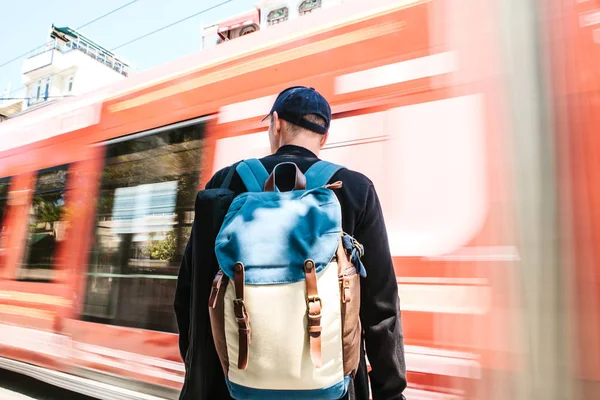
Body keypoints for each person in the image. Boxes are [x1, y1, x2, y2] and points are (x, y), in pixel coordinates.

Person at [175, 86, 406, 400]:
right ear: (323, 137)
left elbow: (190, 291)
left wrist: (199, 370)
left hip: (234, 388)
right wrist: (389, 392)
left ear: (276, 123)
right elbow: (382, 308)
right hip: (332, 389)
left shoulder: (226, 184)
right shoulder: (354, 190)